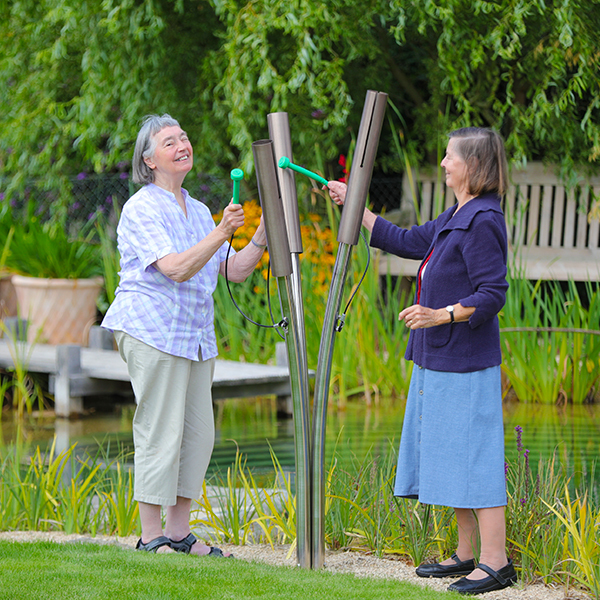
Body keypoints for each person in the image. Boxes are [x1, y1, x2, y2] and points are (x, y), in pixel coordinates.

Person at [327, 127, 516, 595]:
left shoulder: (483, 220)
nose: (444, 163)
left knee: (476, 457)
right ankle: (466, 554)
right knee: (454, 456)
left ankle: (497, 562)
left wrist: (441, 315)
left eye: (450, 157)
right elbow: (410, 241)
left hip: (467, 363)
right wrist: (358, 208)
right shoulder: (457, 213)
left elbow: (493, 295)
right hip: (441, 360)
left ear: (471, 166)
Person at [102, 114, 268, 556]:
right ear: (149, 159)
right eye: (169, 141)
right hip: (152, 331)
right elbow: (174, 269)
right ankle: (149, 535)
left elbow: (230, 269)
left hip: (194, 336)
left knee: (198, 434)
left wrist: (263, 234)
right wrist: (221, 232)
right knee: (160, 429)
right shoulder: (142, 207)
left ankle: (178, 534)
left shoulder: (196, 209)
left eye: (185, 137)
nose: (182, 144)